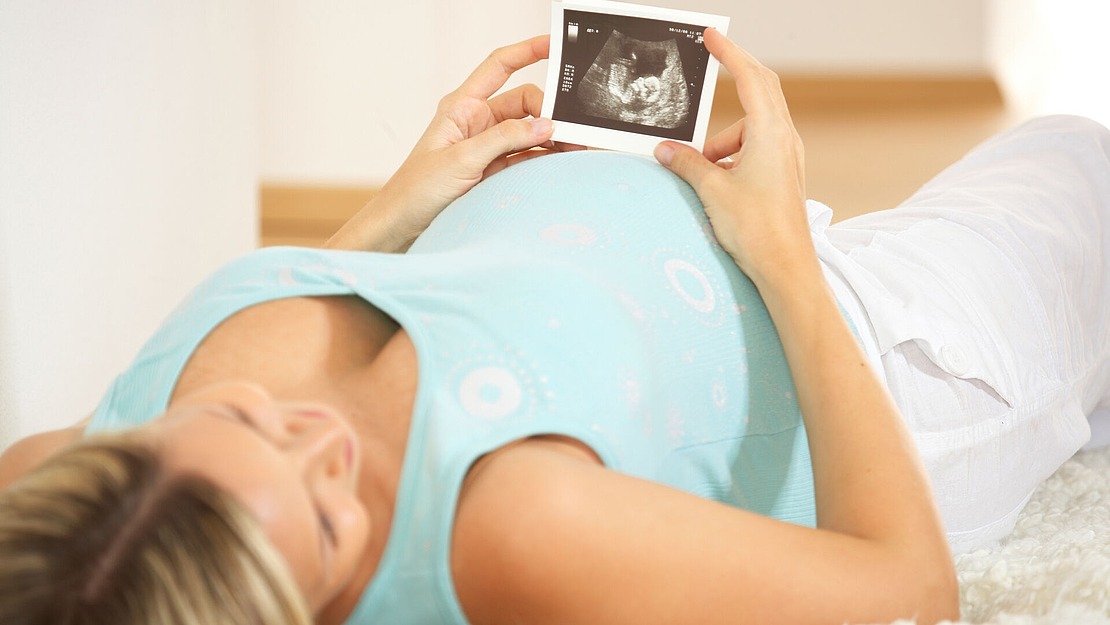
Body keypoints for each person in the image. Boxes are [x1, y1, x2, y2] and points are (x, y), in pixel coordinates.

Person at [1, 27, 1107, 625]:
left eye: (243, 414)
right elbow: (907, 590)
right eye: (331, 527)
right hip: (866, 364)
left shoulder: (70, 513)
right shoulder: (514, 530)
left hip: (724, 255)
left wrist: (413, 194)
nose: (321, 435)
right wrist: (779, 255)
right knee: (1078, 162)